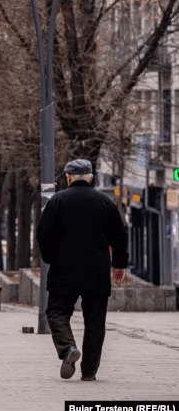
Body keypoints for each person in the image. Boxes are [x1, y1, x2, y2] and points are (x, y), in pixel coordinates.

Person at [37, 159, 128, 382]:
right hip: (96, 270)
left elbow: (43, 234)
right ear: (91, 177)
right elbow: (120, 236)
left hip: (63, 268)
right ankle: (89, 372)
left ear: (68, 177)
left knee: (56, 311)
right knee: (95, 321)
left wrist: (51, 258)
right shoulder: (105, 202)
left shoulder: (58, 200)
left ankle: (67, 348)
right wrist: (119, 265)